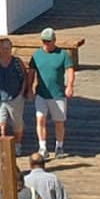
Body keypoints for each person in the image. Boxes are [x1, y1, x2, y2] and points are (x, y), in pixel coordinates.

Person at [29, 28, 76, 157]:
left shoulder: (62, 54)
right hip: (41, 94)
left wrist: (70, 86)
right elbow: (31, 73)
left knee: (59, 122)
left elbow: (70, 70)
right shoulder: (36, 55)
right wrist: (29, 88)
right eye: (44, 41)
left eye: (48, 41)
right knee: (40, 119)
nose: (46, 44)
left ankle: (59, 146)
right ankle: (42, 147)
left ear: (54, 40)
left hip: (57, 95)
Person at [0, 36, 31, 140]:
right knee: (0, 123)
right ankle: (3, 146)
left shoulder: (16, 62)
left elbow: (24, 76)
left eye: (8, 48)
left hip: (15, 96)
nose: (6, 51)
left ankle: (17, 144)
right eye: (3, 48)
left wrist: (21, 93)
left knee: (17, 123)